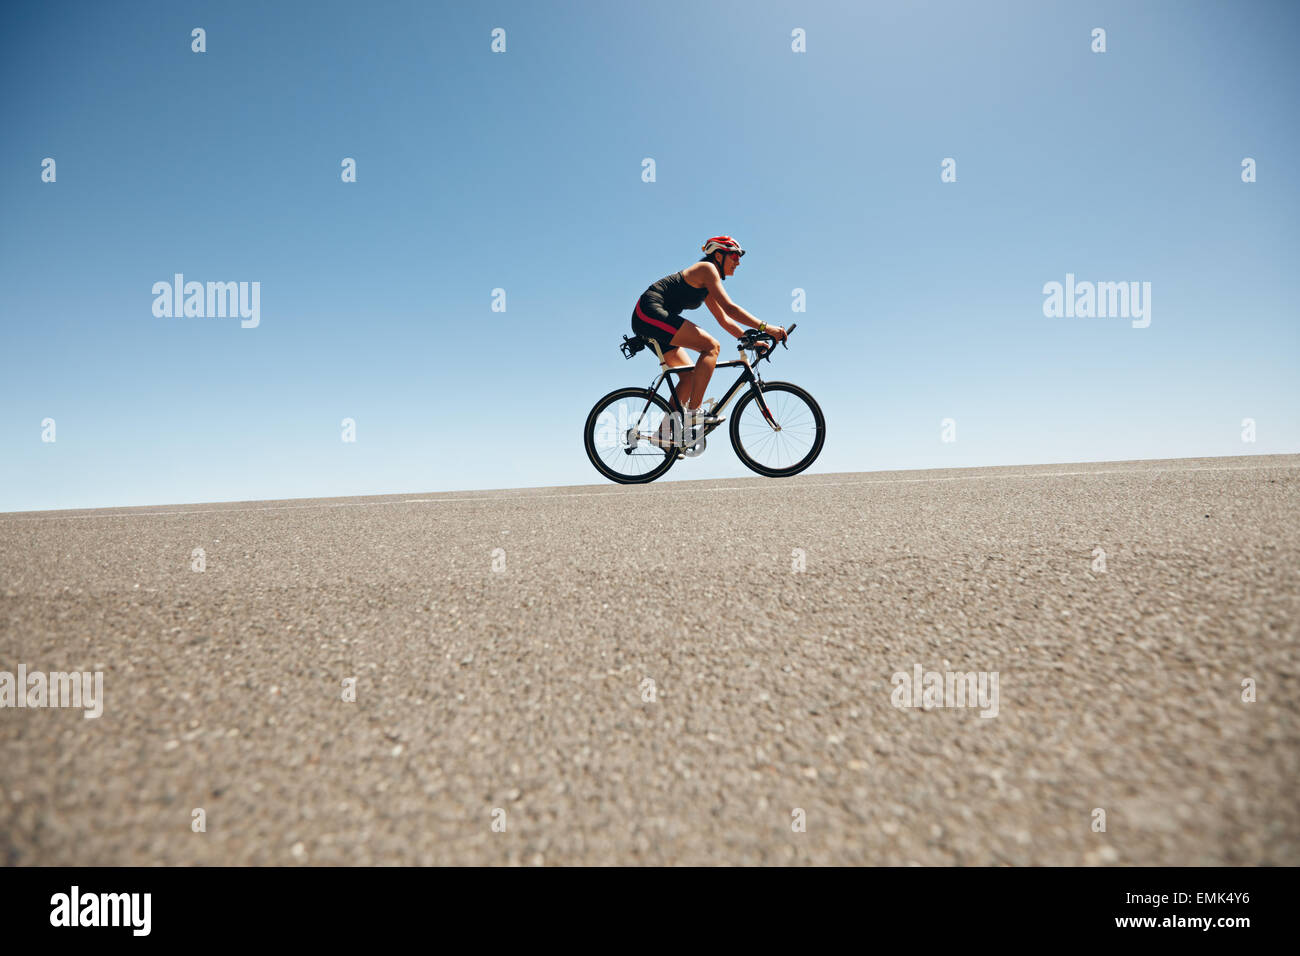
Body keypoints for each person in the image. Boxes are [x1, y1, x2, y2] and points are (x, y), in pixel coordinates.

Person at [630, 236, 786, 444]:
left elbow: (724, 318)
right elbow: (731, 308)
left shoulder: (707, 284)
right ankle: (693, 411)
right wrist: (767, 327)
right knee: (711, 346)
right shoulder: (707, 269)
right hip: (649, 312)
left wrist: (749, 339)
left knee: (689, 376)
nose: (738, 262)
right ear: (719, 255)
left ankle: (664, 435)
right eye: (734, 256)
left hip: (655, 319)